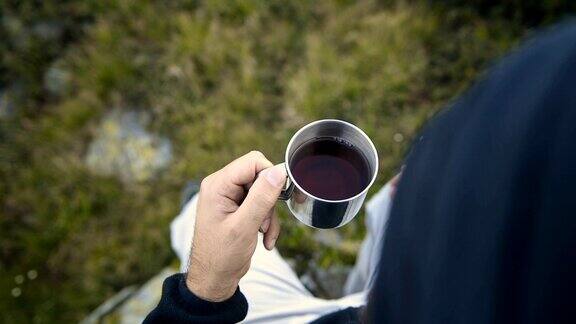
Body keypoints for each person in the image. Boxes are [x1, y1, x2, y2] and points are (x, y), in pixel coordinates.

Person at [145, 21, 576, 323]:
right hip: (384, 301)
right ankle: (359, 276)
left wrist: (202, 294)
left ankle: (189, 214)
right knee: (389, 203)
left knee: (204, 217)